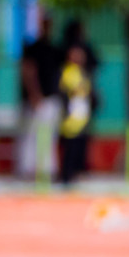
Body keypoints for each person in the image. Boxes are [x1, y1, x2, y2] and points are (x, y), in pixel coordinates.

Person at [18, 14, 63, 178]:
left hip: (51, 97)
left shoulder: (54, 48)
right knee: (32, 135)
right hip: (37, 99)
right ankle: (29, 170)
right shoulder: (34, 48)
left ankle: (46, 170)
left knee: (49, 135)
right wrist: (34, 94)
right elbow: (28, 71)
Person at [57, 43, 94, 185]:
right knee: (70, 149)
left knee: (80, 147)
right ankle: (66, 177)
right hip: (71, 118)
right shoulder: (68, 71)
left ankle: (76, 174)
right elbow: (70, 90)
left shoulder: (81, 72)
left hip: (81, 117)